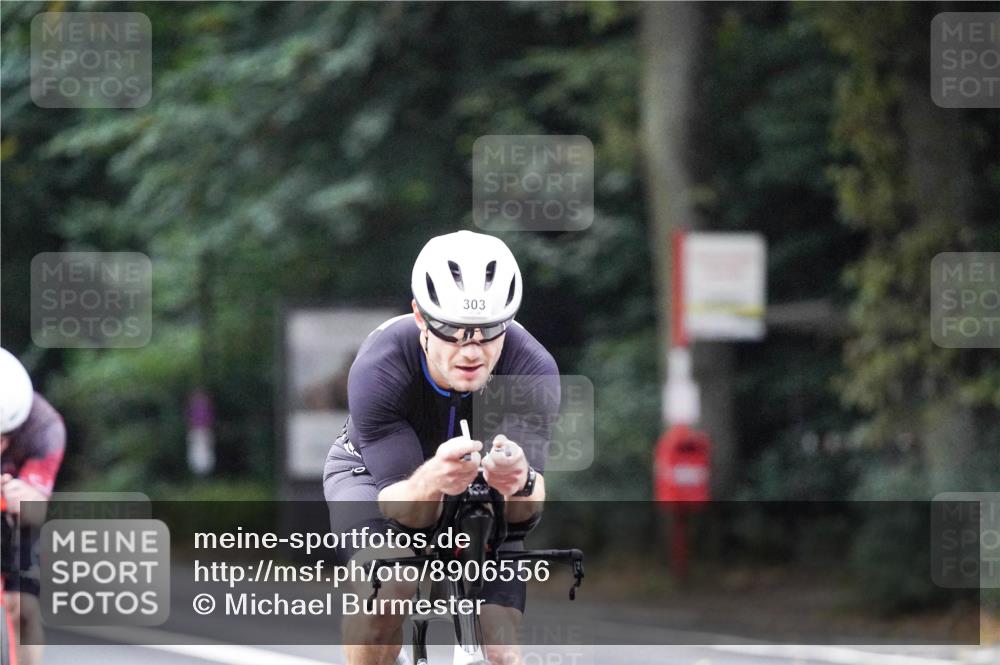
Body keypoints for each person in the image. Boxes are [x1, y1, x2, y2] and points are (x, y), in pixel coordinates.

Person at [324, 230, 559, 665]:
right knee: (387, 592)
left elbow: (527, 513)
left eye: (488, 331)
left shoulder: (533, 369)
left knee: (502, 649)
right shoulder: (379, 365)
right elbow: (401, 509)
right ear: (420, 317)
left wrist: (519, 482)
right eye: (452, 330)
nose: (470, 350)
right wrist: (433, 477)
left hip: (479, 488)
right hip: (374, 478)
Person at [0, 347, 66, 665]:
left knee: (22, 607)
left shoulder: (46, 429)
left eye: (4, 437)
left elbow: (38, 507)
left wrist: (22, 497)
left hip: (17, 513)